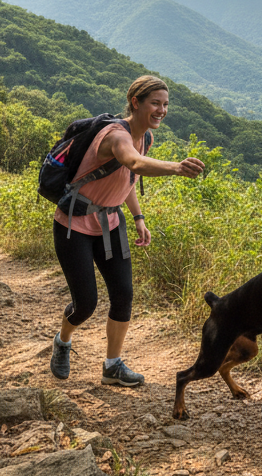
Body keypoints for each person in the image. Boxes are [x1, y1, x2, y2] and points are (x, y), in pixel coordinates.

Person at [50, 76, 205, 386]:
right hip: (74, 225)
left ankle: (112, 365)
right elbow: (133, 164)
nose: (161, 110)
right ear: (136, 103)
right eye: (155, 103)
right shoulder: (116, 136)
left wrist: (138, 217)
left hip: (111, 222)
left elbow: (125, 181)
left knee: (123, 295)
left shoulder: (144, 136)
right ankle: (63, 341)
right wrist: (176, 167)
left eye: (165, 105)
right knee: (86, 304)